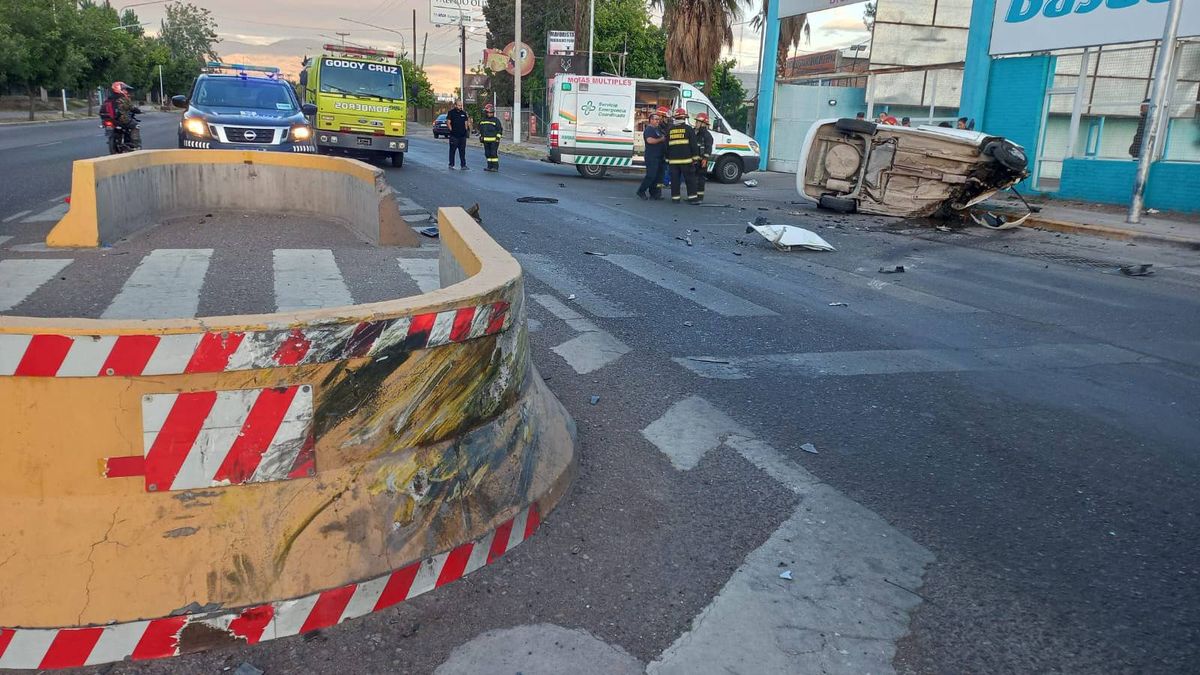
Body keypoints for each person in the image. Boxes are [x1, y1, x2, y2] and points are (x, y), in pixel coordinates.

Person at [665, 107, 699, 204]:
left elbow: (666, 146)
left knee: (675, 181)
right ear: (684, 118)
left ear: (675, 117)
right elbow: (693, 145)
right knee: (690, 180)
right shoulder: (688, 129)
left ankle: (675, 199)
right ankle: (692, 198)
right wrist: (695, 158)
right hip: (686, 161)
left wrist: (667, 159)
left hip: (673, 162)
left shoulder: (670, 130)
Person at [101, 81, 141, 148]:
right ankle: (135, 144)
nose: (126, 91)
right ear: (120, 89)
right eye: (124, 89)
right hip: (122, 119)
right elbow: (131, 107)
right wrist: (138, 110)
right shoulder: (123, 98)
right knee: (135, 125)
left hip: (109, 119)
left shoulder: (108, 98)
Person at [637, 110, 666, 200]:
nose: (658, 121)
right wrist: (661, 140)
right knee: (651, 175)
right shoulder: (649, 129)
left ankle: (655, 194)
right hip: (651, 156)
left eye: (658, 119)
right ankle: (641, 191)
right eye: (655, 119)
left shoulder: (657, 129)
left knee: (658, 176)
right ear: (651, 120)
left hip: (659, 156)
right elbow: (650, 140)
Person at [693, 112, 714, 203]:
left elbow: (708, 148)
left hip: (702, 161)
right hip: (694, 161)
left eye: (698, 122)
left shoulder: (707, 135)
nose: (696, 124)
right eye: (696, 122)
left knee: (700, 179)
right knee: (693, 179)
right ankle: (693, 196)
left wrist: (705, 159)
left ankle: (699, 198)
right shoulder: (695, 133)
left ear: (703, 124)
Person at [478, 103, 503, 172]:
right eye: (489, 112)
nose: (490, 114)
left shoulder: (496, 120)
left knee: (493, 153)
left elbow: (500, 130)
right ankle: (489, 166)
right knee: (487, 154)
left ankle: (495, 167)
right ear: (486, 112)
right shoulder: (482, 120)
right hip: (486, 141)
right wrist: (481, 137)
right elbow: (481, 129)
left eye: (491, 113)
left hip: (494, 141)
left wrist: (498, 138)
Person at [446, 100, 469, 170]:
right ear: (455, 105)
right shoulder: (451, 113)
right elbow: (448, 122)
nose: (460, 107)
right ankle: (451, 164)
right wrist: (451, 130)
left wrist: (466, 130)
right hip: (454, 136)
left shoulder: (463, 113)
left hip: (462, 136)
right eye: (459, 105)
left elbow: (466, 123)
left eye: (461, 105)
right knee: (452, 151)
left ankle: (463, 165)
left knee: (462, 151)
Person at [657, 105, 672, 191]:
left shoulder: (667, 126)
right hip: (662, 151)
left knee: (666, 167)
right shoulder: (659, 127)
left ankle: (665, 182)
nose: (666, 119)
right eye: (665, 118)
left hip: (666, 150)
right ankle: (663, 182)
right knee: (664, 167)